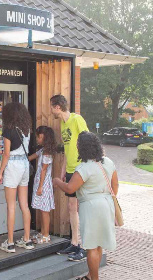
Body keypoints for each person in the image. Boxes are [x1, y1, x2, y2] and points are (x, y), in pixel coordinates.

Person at [53, 131, 118, 280]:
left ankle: (94, 279)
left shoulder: (84, 168)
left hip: (91, 208)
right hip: (107, 204)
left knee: (91, 246)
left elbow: (70, 188)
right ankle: (90, 276)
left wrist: (57, 181)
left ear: (82, 149)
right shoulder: (108, 162)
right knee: (99, 243)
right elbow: (115, 186)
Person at [50, 95, 89, 260]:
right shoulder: (62, 123)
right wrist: (62, 172)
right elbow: (67, 150)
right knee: (72, 208)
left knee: (85, 208)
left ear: (58, 107)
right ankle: (75, 243)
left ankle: (86, 246)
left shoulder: (76, 119)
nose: (51, 110)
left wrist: (87, 166)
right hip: (71, 171)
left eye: (52, 107)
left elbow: (89, 142)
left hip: (82, 170)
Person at [0, 102, 34, 253]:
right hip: (24, 164)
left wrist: (0, 172)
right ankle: (27, 239)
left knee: (11, 205)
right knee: (24, 205)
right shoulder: (26, 129)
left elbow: (6, 154)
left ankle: (10, 242)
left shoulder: (8, 130)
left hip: (13, 166)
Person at [28, 126, 57, 244]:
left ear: (45, 138)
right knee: (42, 208)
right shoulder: (43, 150)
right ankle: (43, 232)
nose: (38, 139)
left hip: (43, 184)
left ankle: (46, 235)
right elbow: (32, 156)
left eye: (39, 137)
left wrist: (40, 187)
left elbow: (44, 171)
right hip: (40, 182)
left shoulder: (47, 154)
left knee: (45, 210)